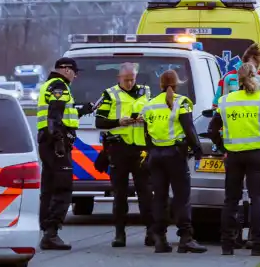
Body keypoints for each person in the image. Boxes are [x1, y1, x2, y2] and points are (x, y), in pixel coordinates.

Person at [206, 62, 260, 256]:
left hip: (234, 156)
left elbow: (212, 130)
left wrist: (223, 148)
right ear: (255, 77)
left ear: (236, 79)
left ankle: (227, 244)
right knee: (258, 199)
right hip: (257, 155)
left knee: (231, 200)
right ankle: (258, 244)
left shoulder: (225, 100)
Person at [132, 70, 207, 254]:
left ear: (160, 85)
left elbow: (147, 134)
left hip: (156, 156)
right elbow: (189, 129)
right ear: (177, 84)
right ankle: (186, 238)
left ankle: (160, 238)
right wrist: (197, 149)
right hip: (175, 155)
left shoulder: (149, 105)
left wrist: (150, 154)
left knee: (159, 197)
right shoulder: (182, 102)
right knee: (182, 197)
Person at [94, 63, 154, 248]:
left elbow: (155, 115)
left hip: (141, 150)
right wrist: (119, 121)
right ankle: (120, 234)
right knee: (120, 195)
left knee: (145, 193)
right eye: (126, 80)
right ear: (118, 78)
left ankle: (151, 232)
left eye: (132, 79)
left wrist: (147, 119)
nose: (129, 83)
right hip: (119, 149)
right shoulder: (109, 95)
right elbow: (99, 122)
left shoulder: (146, 92)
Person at [37, 57, 93, 251]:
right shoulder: (59, 85)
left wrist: (82, 111)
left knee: (49, 188)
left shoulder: (50, 85)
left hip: (48, 143)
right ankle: (51, 233)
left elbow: (61, 115)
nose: (75, 76)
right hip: (55, 145)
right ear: (66, 70)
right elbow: (55, 117)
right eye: (74, 72)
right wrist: (60, 142)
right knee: (63, 187)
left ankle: (46, 230)